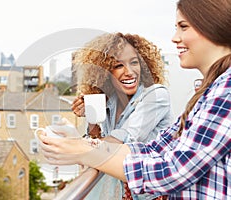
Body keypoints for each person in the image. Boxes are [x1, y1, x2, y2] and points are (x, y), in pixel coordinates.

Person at [39, 0, 231, 199]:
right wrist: (86, 134)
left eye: (183, 27)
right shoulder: (209, 92)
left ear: (213, 25)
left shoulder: (224, 90)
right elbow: (154, 149)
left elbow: (174, 171)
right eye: (117, 65)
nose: (174, 38)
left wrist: (82, 148)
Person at [70, 32, 172, 199]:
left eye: (134, 63)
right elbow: (101, 141)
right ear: (105, 72)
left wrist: (76, 148)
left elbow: (124, 140)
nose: (129, 72)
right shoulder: (112, 101)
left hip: (151, 195)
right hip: (123, 191)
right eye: (118, 66)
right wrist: (92, 118)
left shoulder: (156, 94)